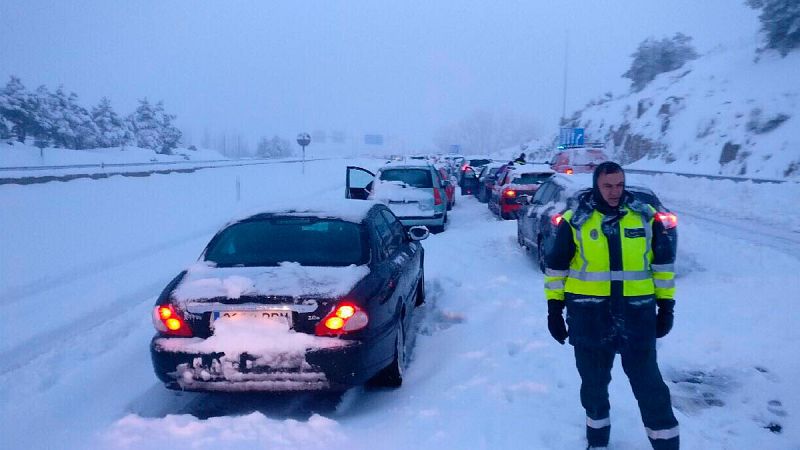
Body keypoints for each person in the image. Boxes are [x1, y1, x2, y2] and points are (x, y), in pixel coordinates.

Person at [544, 161, 679, 450]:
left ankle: (667, 445)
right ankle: (598, 443)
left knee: (651, 387)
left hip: (637, 317)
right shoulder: (576, 220)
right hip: (589, 318)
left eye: (619, 184)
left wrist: (666, 307)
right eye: (608, 185)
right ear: (596, 185)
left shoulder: (645, 217)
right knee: (593, 388)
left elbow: (663, 266)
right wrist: (554, 311)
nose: (615, 191)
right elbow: (556, 269)